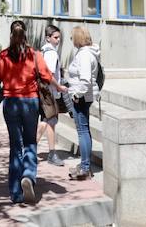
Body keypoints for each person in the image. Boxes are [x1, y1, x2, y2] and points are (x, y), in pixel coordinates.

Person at [0, 20, 56, 205]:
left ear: (11, 35)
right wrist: (60, 86)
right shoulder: (34, 54)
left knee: (15, 146)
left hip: (11, 103)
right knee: (30, 142)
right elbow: (46, 75)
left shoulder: (4, 55)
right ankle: (28, 176)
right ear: (26, 34)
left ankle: (15, 192)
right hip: (30, 102)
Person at [64, 26, 100, 180]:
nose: (71, 40)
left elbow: (85, 80)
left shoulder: (84, 55)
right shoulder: (86, 53)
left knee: (82, 131)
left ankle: (85, 167)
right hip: (83, 96)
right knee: (84, 130)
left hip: (81, 98)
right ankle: (85, 165)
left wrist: (76, 95)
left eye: (72, 37)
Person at [36, 24, 67, 166]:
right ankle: (43, 151)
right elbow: (49, 74)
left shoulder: (43, 50)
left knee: (48, 120)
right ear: (48, 38)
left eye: (59, 37)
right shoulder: (51, 53)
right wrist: (59, 86)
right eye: (55, 37)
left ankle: (47, 151)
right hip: (49, 92)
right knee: (50, 120)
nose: (58, 40)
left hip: (44, 91)